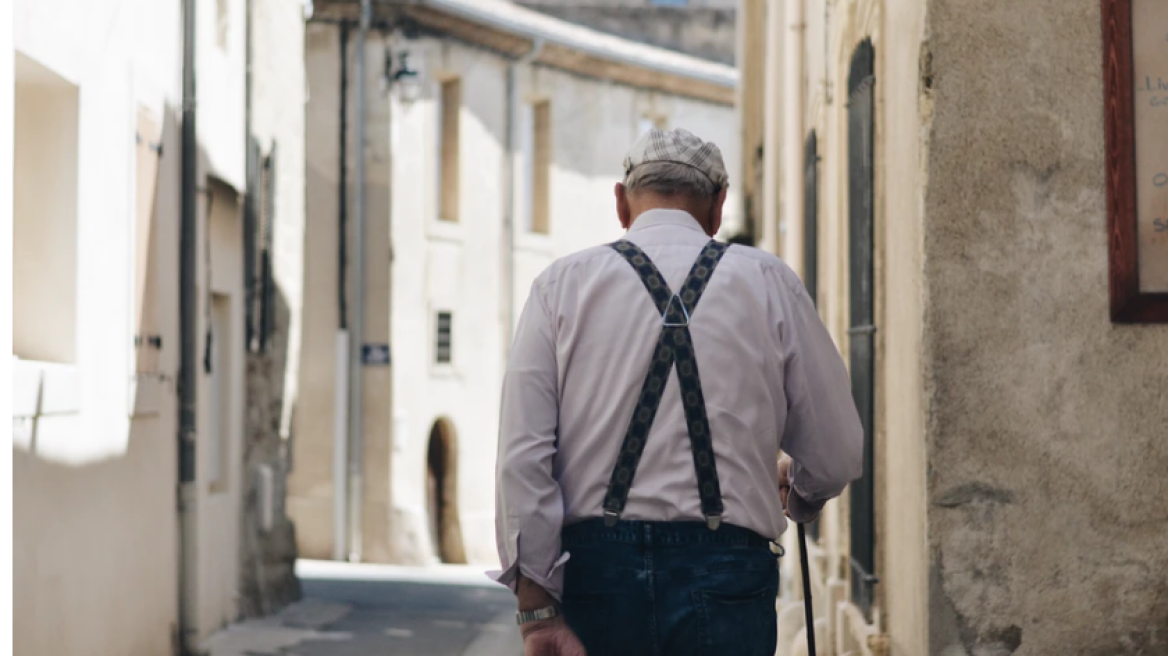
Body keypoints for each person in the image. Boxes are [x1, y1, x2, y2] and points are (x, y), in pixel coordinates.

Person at [491, 128, 863, 656]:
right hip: (728, 575)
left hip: (596, 579)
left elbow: (522, 457)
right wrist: (800, 493)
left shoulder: (561, 286)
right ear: (718, 208)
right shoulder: (769, 282)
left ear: (621, 202)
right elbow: (836, 453)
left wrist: (536, 608)